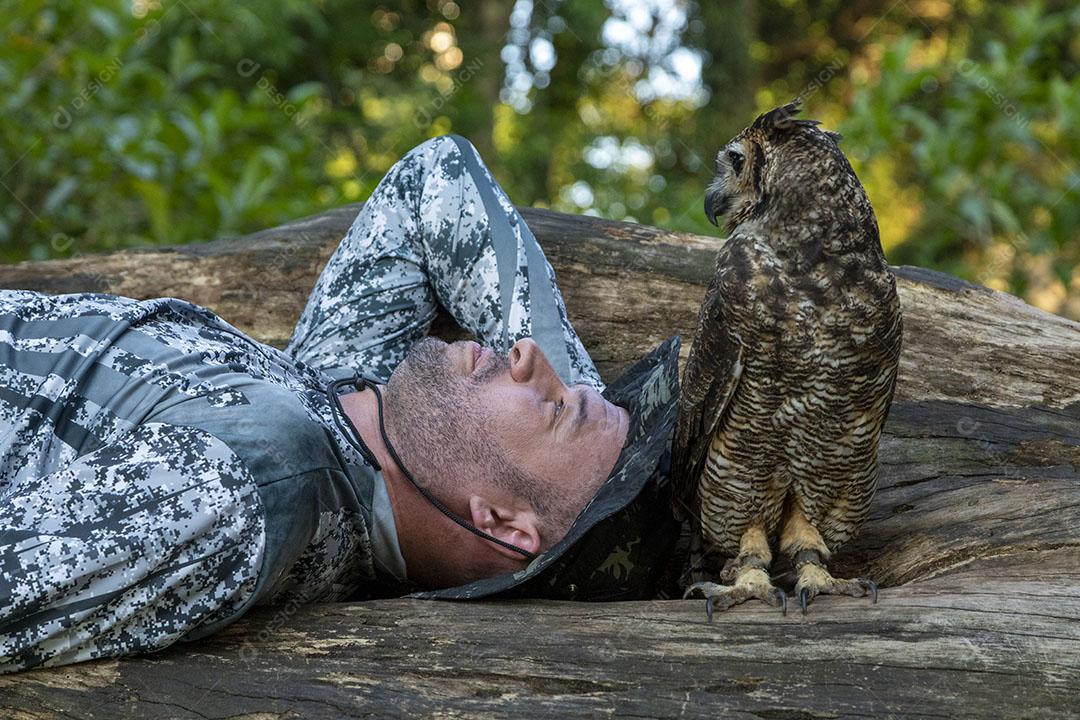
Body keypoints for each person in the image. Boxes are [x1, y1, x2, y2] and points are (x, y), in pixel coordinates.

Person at [0, 135, 680, 674]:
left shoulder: (257, 484)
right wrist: (586, 396)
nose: (532, 358)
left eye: (556, 407)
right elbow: (435, 181)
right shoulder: (346, 402)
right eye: (566, 379)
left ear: (502, 522)